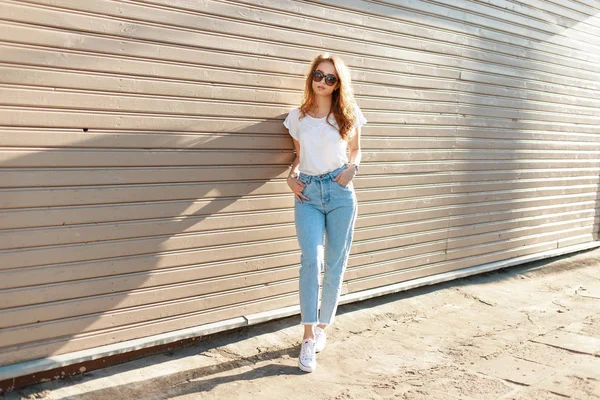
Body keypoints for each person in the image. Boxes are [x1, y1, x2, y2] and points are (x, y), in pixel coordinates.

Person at [283, 53, 367, 373]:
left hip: (340, 192)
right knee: (311, 259)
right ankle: (307, 337)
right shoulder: (297, 118)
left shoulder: (348, 114)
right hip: (307, 194)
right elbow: (299, 155)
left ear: (337, 84)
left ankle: (323, 328)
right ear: (311, 77)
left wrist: (352, 169)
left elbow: (356, 148)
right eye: (319, 75)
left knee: (334, 263)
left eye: (330, 78)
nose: (323, 82)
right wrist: (291, 176)